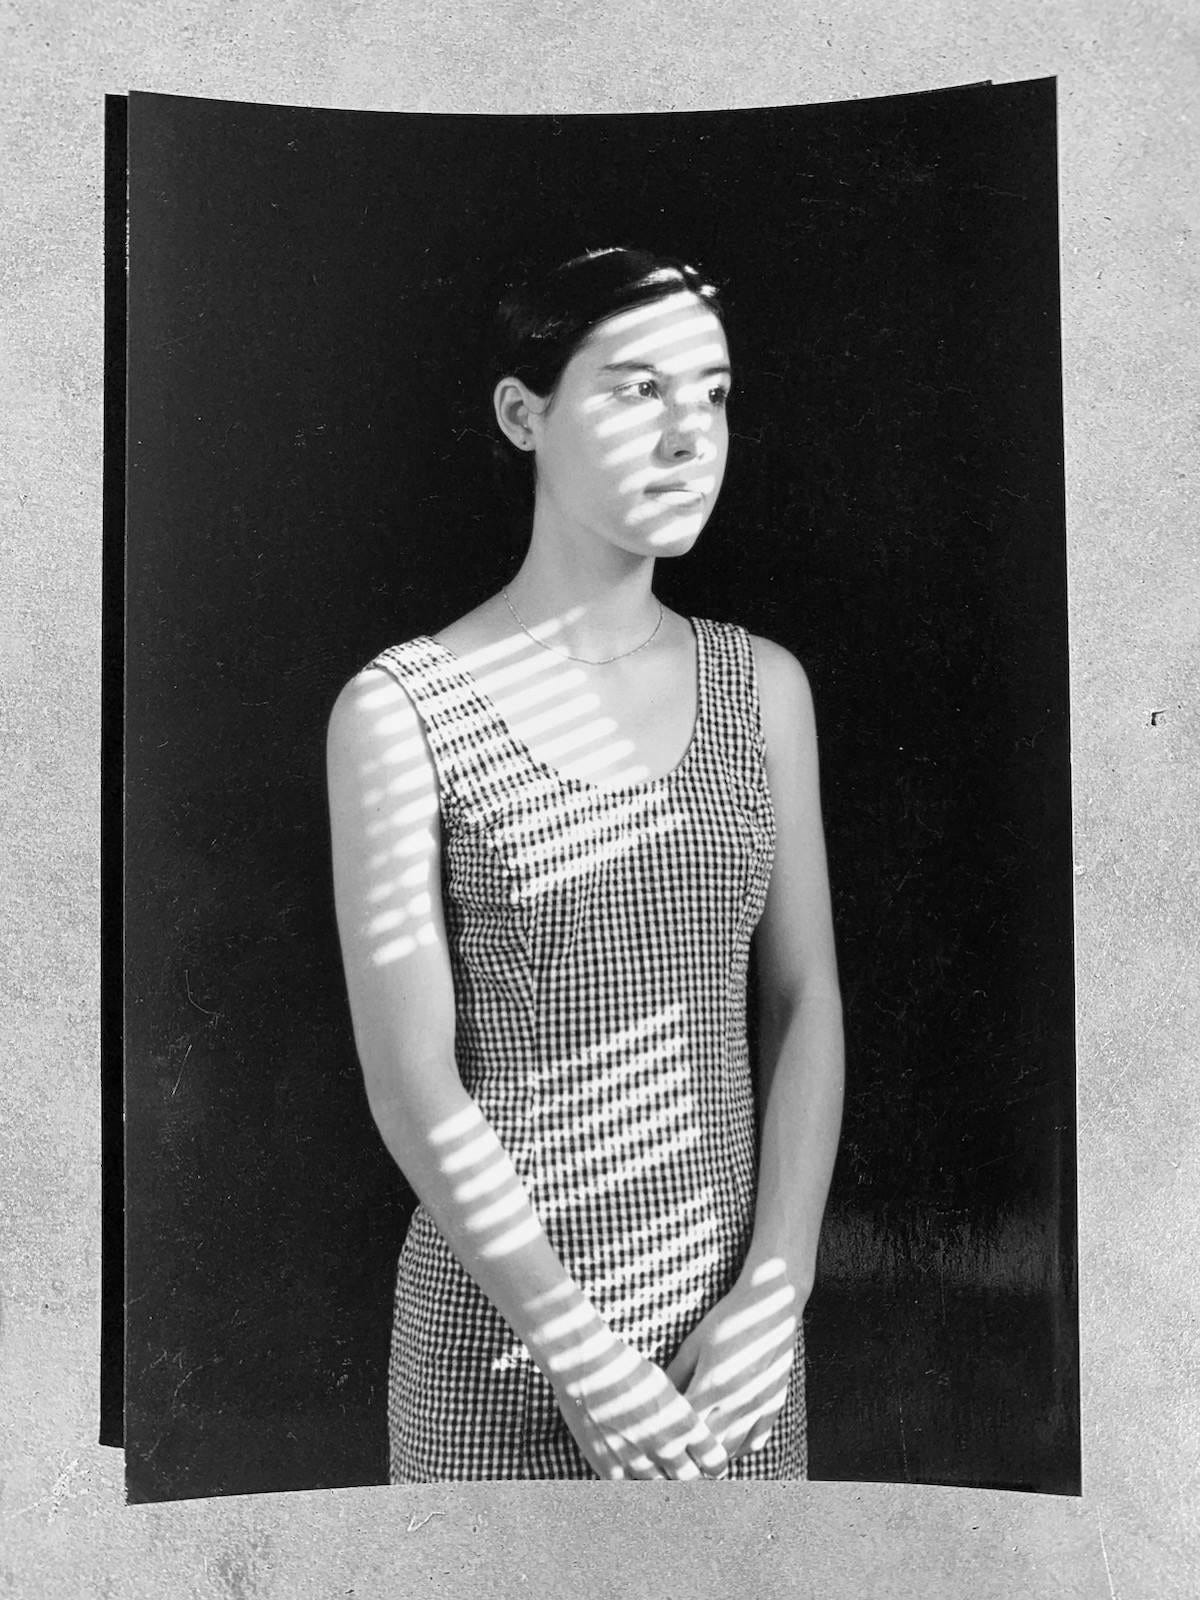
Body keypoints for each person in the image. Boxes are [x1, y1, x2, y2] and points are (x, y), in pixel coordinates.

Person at [326, 246, 844, 1482]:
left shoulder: (762, 687)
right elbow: (411, 1081)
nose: (689, 435)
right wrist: (577, 1352)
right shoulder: (402, 708)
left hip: (728, 1355)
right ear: (524, 412)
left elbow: (804, 997)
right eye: (634, 388)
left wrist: (778, 1285)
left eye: (713, 394)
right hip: (504, 1349)